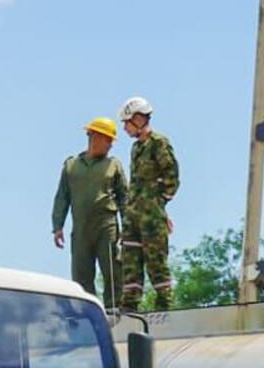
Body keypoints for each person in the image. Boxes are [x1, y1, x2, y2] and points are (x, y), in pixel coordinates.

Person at [52, 117, 128, 308]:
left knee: (112, 270)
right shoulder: (71, 165)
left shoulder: (114, 165)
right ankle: (87, 311)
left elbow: (124, 198)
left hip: (106, 225)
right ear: (94, 136)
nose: (111, 145)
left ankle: (114, 309)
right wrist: (57, 226)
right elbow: (62, 196)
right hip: (80, 228)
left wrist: (128, 226)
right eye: (108, 139)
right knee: (80, 274)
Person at [118, 96, 180, 311]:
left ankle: (163, 305)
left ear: (137, 118)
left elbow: (172, 176)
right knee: (130, 261)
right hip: (133, 215)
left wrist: (158, 204)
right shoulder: (136, 149)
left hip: (151, 216)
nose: (125, 129)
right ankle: (130, 305)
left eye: (126, 123)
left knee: (156, 261)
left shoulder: (158, 143)